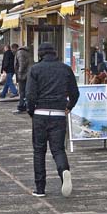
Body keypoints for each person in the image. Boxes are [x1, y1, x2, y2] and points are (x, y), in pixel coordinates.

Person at [26, 42, 79, 198]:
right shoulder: (65, 69)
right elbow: (75, 93)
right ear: (55, 53)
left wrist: (31, 111)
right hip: (58, 114)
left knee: (39, 151)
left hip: (40, 113)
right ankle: (64, 172)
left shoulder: (35, 69)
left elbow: (30, 95)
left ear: (40, 54)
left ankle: (40, 188)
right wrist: (69, 106)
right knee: (58, 149)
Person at [14, 43, 31, 113]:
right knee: (27, 91)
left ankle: (22, 106)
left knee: (22, 91)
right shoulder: (27, 52)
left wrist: (19, 74)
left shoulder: (20, 52)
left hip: (23, 75)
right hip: (29, 74)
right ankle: (26, 105)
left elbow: (21, 64)